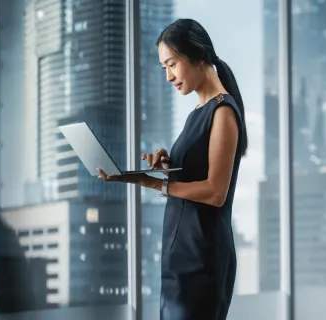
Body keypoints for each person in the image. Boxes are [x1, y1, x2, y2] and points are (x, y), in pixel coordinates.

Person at [97, 18, 248, 320]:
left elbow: (215, 192)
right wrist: (168, 166)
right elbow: (194, 174)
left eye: (172, 65)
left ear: (200, 57)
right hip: (180, 255)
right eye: (163, 68)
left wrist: (154, 184)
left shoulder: (223, 112)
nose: (168, 76)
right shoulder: (198, 113)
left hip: (202, 258)